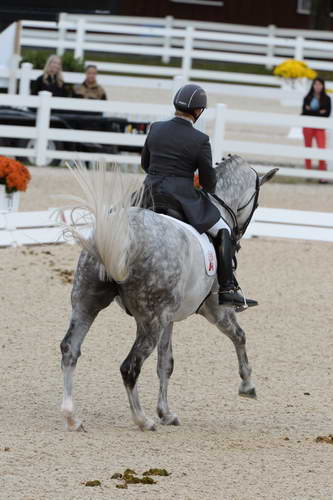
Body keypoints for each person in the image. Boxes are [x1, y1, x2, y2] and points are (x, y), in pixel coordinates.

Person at [141, 83, 257, 308]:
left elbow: (145, 164)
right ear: (198, 111)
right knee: (223, 229)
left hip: (149, 193)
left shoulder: (155, 128)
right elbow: (208, 183)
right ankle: (227, 289)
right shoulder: (199, 140)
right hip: (180, 198)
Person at [301, 77, 331, 172]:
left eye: (320, 84)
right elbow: (304, 112)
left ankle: (322, 172)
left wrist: (311, 110)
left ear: (323, 86)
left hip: (320, 127)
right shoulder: (307, 97)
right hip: (308, 127)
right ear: (313, 85)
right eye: (316, 84)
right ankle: (308, 170)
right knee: (308, 148)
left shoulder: (327, 99)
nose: (318, 86)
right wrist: (319, 112)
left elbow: (327, 114)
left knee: (321, 148)